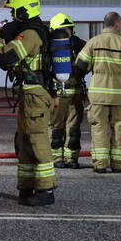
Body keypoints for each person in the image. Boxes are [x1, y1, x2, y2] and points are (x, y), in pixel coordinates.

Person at [0, 0, 56, 206]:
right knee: (25, 141)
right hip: (28, 93)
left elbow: (7, 56)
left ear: (24, 10)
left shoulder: (31, 34)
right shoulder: (29, 31)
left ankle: (46, 191)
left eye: (14, 11)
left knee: (37, 140)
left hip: (35, 93)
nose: (12, 16)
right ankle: (27, 187)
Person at [75, 11, 121, 174]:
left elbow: (79, 67)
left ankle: (100, 164)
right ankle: (118, 164)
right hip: (120, 95)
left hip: (98, 95)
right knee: (119, 128)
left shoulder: (93, 42)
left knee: (99, 128)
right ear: (117, 24)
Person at [48, 13, 88, 169]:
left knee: (56, 127)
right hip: (76, 93)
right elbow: (88, 61)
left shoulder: (49, 44)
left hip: (57, 95)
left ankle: (57, 159)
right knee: (73, 127)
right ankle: (72, 159)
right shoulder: (79, 43)